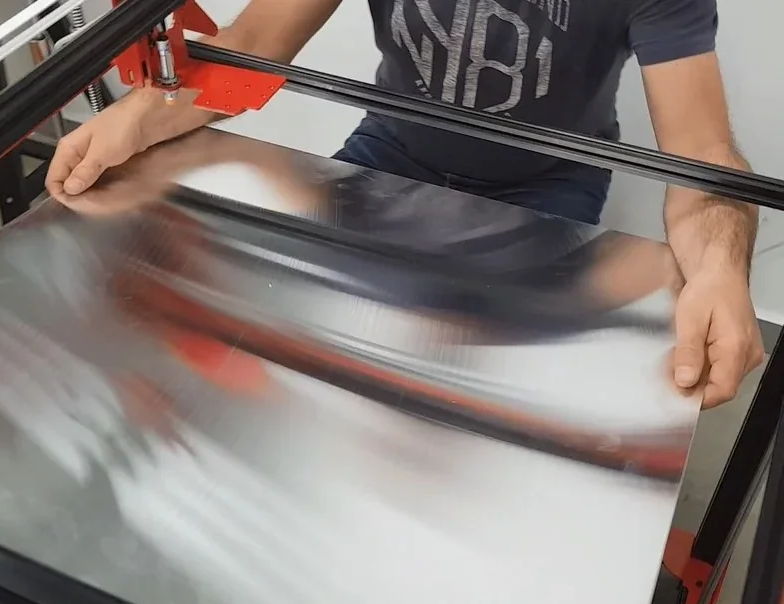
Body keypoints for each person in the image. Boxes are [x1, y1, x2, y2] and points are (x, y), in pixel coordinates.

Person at [46, 0, 764, 410]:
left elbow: (701, 156)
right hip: (387, 155)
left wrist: (718, 272)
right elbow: (254, 45)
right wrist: (143, 114)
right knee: (300, 370)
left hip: (546, 187)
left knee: (488, 404)